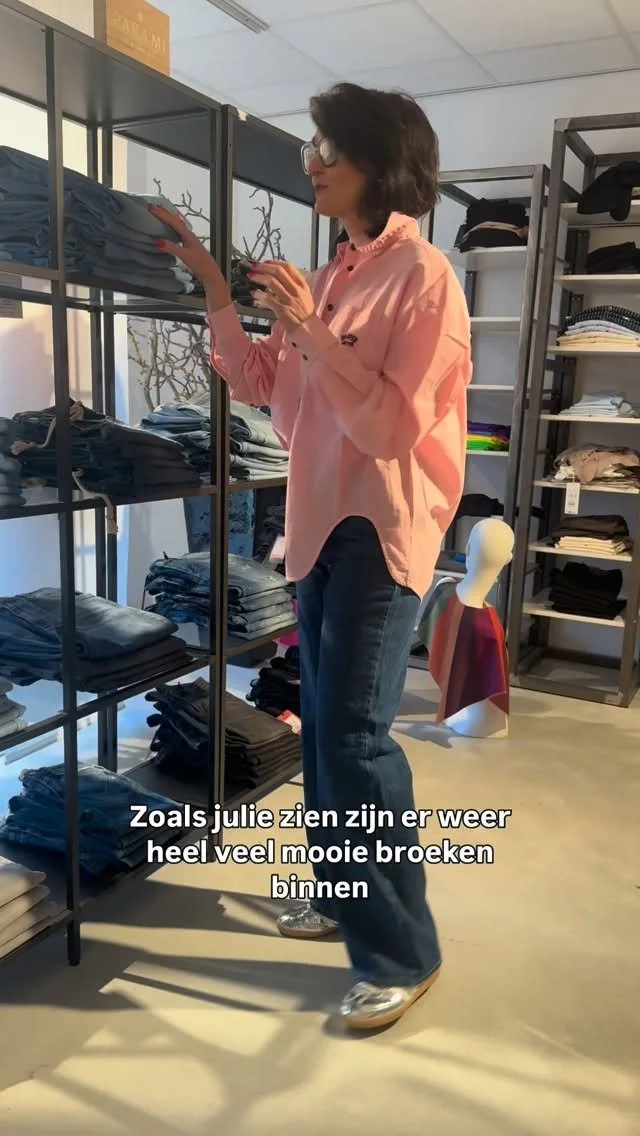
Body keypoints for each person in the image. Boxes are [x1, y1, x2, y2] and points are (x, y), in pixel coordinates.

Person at [149, 82, 471, 1031]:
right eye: (312, 147)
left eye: (329, 147)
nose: (313, 163)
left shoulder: (424, 278)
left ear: (381, 160)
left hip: (382, 526)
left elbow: (391, 426)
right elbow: (266, 388)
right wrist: (217, 292)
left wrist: (310, 331)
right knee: (327, 728)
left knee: (357, 739)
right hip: (318, 524)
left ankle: (404, 951)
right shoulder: (329, 277)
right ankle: (341, 892)